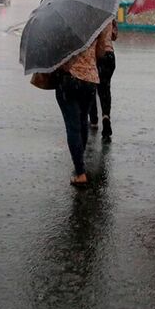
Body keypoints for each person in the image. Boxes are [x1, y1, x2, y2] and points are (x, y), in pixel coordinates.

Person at [56, 24, 112, 187]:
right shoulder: (97, 21)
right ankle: (81, 165)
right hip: (89, 79)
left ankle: (80, 172)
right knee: (82, 123)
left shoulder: (64, 23)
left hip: (68, 78)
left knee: (73, 127)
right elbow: (101, 53)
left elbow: (56, 52)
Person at [88, 18, 118, 139]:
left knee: (92, 85)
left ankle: (94, 119)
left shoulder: (91, 18)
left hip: (97, 55)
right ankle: (106, 116)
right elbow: (114, 36)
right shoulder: (110, 16)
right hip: (110, 55)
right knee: (105, 88)